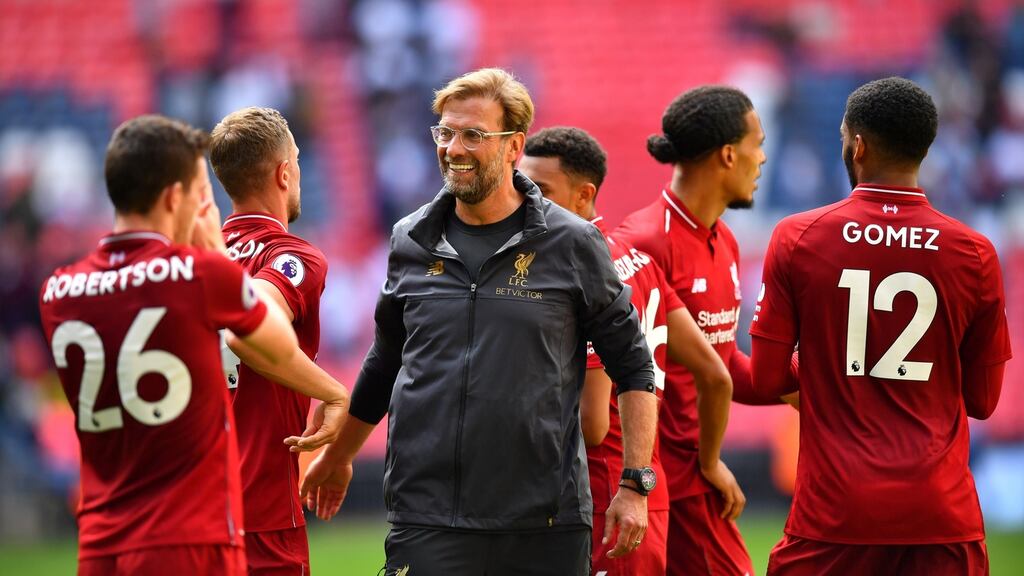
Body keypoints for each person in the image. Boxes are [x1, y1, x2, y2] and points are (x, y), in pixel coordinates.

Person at [301, 68, 658, 575]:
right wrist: (340, 456)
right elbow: (385, 362)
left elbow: (634, 367)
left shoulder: (574, 243)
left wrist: (634, 483)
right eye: (445, 132)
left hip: (544, 522)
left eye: (474, 135)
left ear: (514, 146)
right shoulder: (409, 239)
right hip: (427, 516)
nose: (454, 148)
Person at [37, 115, 327, 575]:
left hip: (101, 535)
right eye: (197, 189)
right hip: (190, 528)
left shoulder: (58, 290)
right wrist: (336, 394)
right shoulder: (198, 274)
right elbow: (258, 337)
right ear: (176, 196)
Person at [750, 77, 1011, 576]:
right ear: (924, 150)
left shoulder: (797, 238)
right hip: (942, 517)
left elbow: (767, 379)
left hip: (834, 513)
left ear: (859, 145)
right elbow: (982, 401)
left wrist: (829, 369)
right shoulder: (976, 253)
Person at [520, 126, 740, 576]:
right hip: (646, 495)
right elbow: (714, 373)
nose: (526, 201)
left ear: (584, 196)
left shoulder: (579, 274)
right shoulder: (638, 259)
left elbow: (593, 424)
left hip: (601, 497)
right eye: (521, 187)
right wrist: (710, 462)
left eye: (540, 190)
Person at [615, 85, 795, 576]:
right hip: (665, 480)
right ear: (729, 153)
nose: (762, 158)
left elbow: (722, 362)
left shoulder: (726, 242)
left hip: (697, 479)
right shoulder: (642, 244)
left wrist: (804, 382)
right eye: (758, 143)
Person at [208, 107, 350, 575]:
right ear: (284, 171)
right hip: (260, 514)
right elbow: (250, 326)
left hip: (191, 512)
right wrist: (332, 392)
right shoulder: (290, 255)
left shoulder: (193, 260)